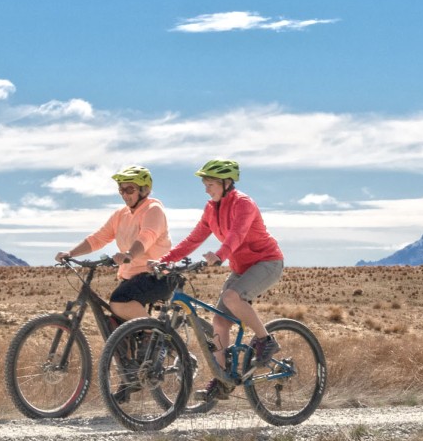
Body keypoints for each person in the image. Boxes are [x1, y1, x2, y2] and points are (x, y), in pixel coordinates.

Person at [155, 159, 285, 401]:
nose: (206, 188)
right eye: (205, 183)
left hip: (267, 262)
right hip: (241, 267)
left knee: (231, 297)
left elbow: (238, 234)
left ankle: (265, 340)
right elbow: (193, 239)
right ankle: (223, 379)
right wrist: (166, 260)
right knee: (220, 321)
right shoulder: (210, 209)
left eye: (210, 183)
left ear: (226, 183)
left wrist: (220, 255)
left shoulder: (243, 204)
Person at [54, 166, 172, 326]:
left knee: (119, 301)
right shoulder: (121, 214)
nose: (124, 194)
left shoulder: (153, 210)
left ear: (144, 190)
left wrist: (129, 254)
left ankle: (156, 336)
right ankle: (135, 347)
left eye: (129, 189)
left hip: (156, 276)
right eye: (121, 190)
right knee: (116, 327)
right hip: (131, 277)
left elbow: (147, 236)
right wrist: (71, 253)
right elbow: (98, 238)